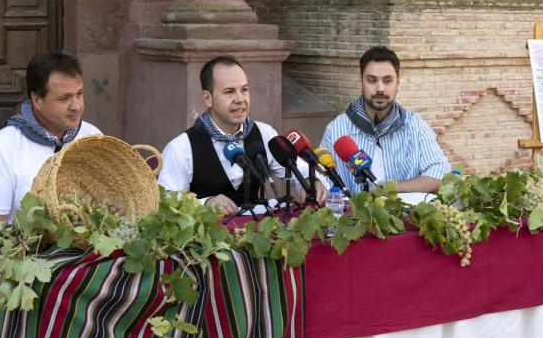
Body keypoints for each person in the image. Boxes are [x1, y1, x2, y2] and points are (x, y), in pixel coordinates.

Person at [157, 56, 325, 215]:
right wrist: (205, 203)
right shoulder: (181, 148)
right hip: (205, 243)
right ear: (208, 98)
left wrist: (311, 183)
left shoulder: (265, 134)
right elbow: (166, 201)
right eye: (229, 92)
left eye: (244, 90)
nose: (240, 99)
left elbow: (299, 170)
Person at [0, 53, 102, 227]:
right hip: (27, 251)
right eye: (64, 98)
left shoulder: (92, 137)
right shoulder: (4, 147)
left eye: (79, 94)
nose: (76, 106)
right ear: (37, 100)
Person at [321, 46, 451, 195]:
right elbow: (323, 180)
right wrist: (318, 183)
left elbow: (440, 175)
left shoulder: (416, 126)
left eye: (387, 80)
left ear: (398, 82)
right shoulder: (337, 129)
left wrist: (387, 189)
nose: (380, 88)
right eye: (372, 80)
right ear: (361, 81)